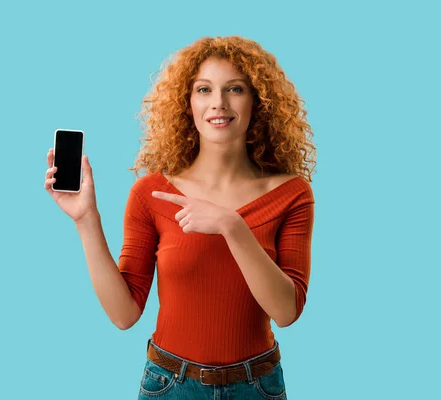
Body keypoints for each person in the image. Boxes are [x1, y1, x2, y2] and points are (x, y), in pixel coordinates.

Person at [44, 35, 316, 399]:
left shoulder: (292, 194)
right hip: (170, 385)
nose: (218, 103)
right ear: (187, 103)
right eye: (204, 89)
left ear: (257, 102)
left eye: (234, 89)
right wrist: (85, 219)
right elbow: (124, 315)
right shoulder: (152, 194)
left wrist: (231, 226)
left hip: (258, 386)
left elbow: (286, 311)